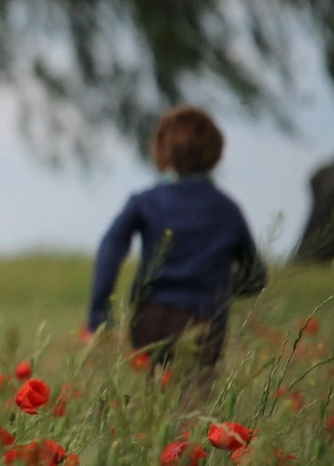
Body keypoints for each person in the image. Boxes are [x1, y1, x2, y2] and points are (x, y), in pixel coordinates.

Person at [86, 105, 266, 372]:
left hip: (150, 317)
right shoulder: (228, 210)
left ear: (162, 151)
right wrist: (217, 289)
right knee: (194, 394)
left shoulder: (145, 202)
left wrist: (99, 315)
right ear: (214, 154)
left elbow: (109, 250)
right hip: (204, 319)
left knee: (156, 390)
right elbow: (255, 277)